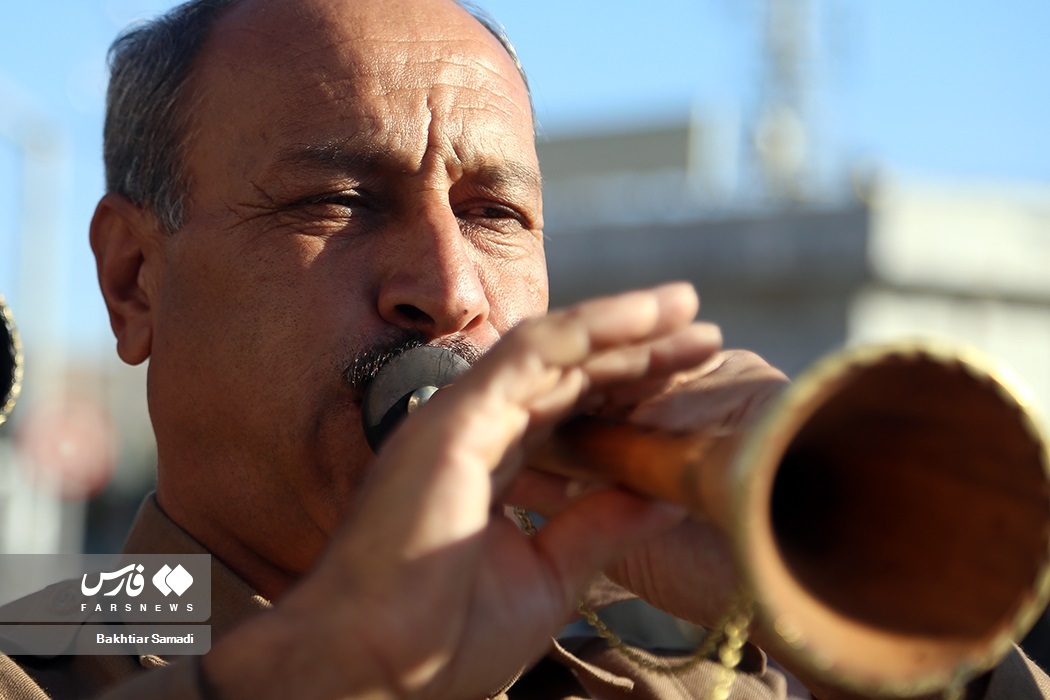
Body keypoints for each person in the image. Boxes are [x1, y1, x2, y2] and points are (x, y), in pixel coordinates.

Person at [1, 0, 1047, 698]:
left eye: (495, 213)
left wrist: (850, 608)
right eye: (335, 200)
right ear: (134, 283)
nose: (451, 291)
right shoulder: (35, 622)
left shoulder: (684, 671)